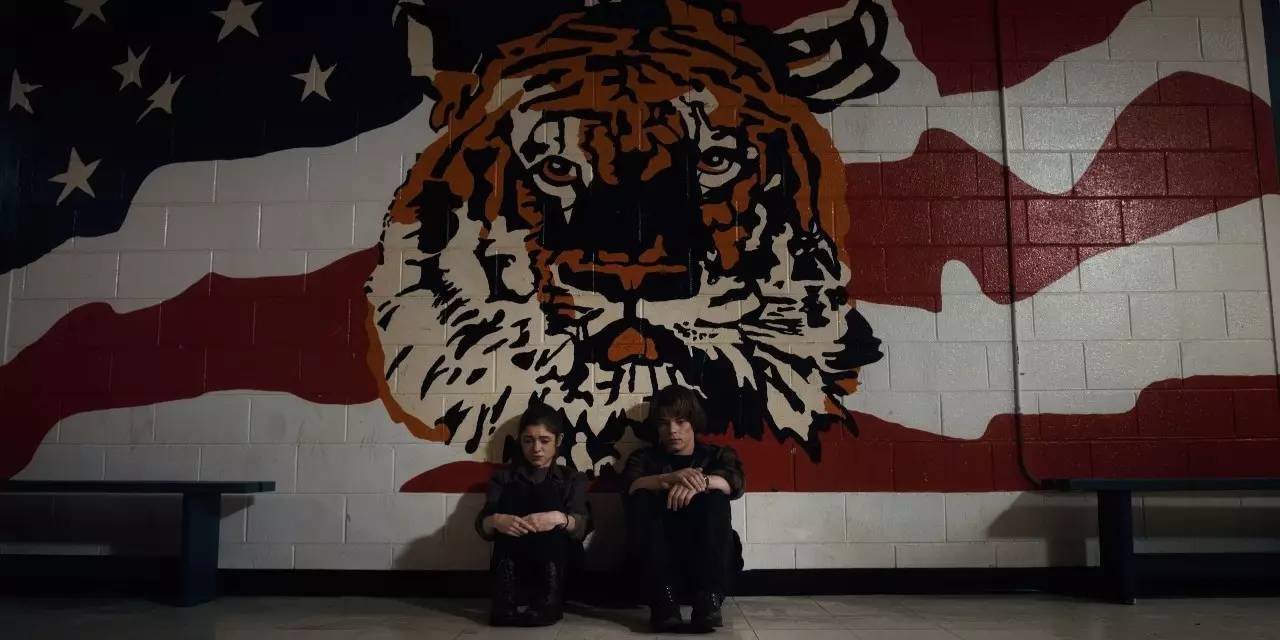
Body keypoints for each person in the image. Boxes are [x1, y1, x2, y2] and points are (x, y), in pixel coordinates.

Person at [622, 385, 745, 632]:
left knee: (716, 496)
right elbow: (631, 486)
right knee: (642, 496)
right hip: (660, 569)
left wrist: (702, 483)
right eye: (664, 423)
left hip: (706, 566)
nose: (672, 430)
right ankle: (664, 602)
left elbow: (735, 483)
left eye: (680, 421)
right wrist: (669, 479)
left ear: (693, 422)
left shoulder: (716, 455)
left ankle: (709, 601)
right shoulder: (644, 458)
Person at [476, 402, 589, 626]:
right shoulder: (504, 478)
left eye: (544, 440)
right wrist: (496, 521)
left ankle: (548, 601)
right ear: (520, 441)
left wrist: (559, 518)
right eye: (528, 441)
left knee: (546, 493)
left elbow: (582, 527)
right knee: (515, 491)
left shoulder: (572, 479)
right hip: (517, 566)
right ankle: (506, 599)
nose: (536, 448)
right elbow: (482, 525)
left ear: (558, 440)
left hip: (558, 571)